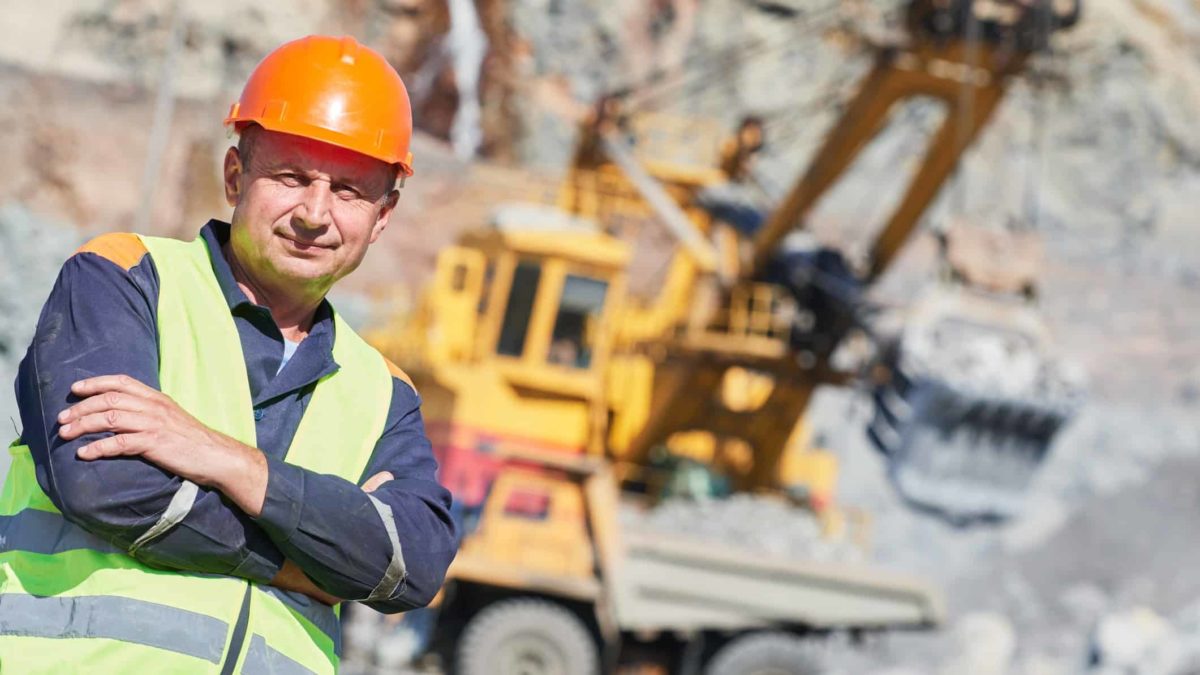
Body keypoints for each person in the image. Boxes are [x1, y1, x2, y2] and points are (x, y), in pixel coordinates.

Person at [0, 35, 457, 674]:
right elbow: (100, 482)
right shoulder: (126, 278)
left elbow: (414, 566)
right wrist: (314, 559)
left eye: (349, 191)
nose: (315, 214)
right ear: (235, 176)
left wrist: (227, 461)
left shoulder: (384, 394)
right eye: (291, 177)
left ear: (383, 216)